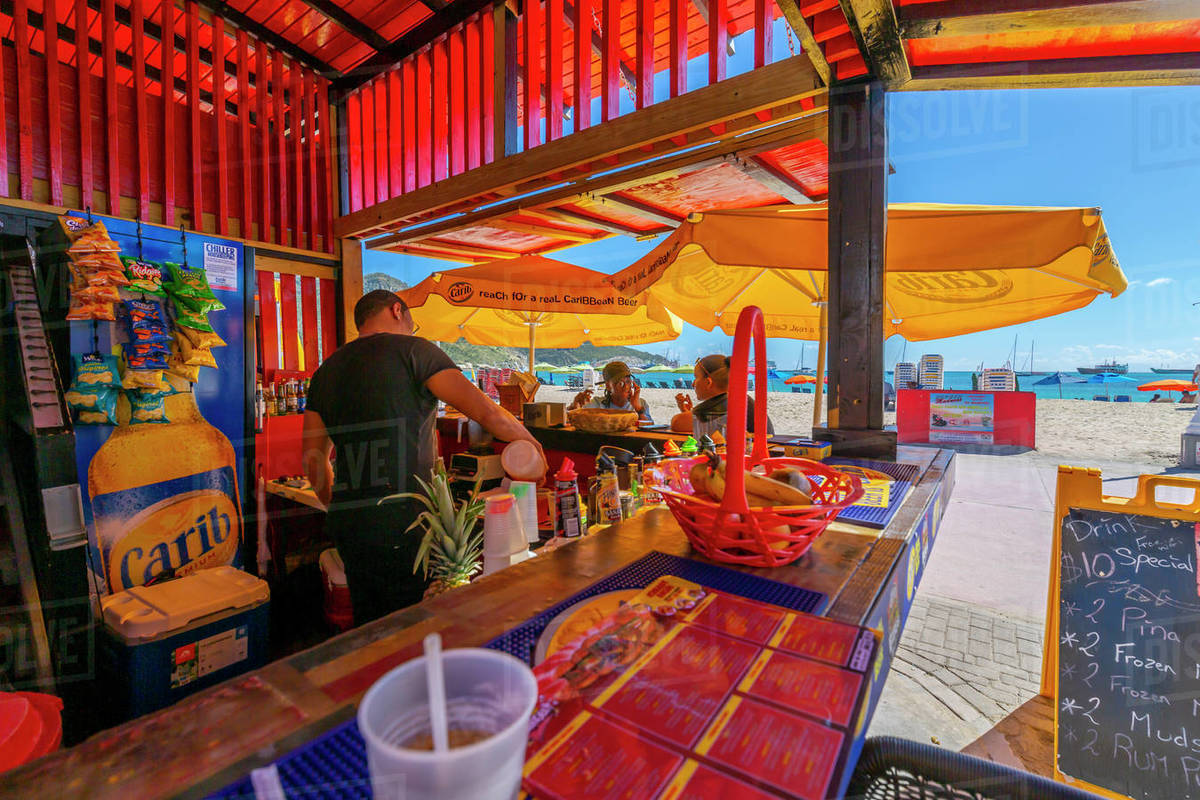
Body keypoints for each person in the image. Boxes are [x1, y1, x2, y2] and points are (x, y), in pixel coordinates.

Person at [303, 290, 546, 625]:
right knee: (416, 627)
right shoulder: (415, 352)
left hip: (351, 523)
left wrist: (338, 505)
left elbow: (313, 461)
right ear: (396, 309)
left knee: (370, 627)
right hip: (408, 521)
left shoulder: (326, 371)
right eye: (411, 322)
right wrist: (534, 446)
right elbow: (486, 412)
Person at [675, 354, 774, 439]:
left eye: (696, 377)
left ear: (709, 382)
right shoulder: (739, 399)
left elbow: (677, 422)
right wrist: (687, 412)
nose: (693, 384)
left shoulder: (726, 402)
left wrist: (687, 414)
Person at [569, 361, 652, 422]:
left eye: (628, 381)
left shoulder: (641, 403)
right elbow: (571, 420)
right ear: (608, 386)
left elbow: (651, 430)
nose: (626, 387)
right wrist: (574, 406)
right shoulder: (597, 404)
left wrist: (638, 409)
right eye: (621, 383)